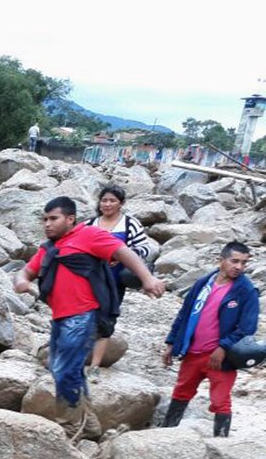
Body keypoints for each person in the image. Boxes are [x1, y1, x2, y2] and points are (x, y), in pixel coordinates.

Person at [14, 196, 165, 439]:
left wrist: (148, 279)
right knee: (61, 368)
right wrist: (21, 280)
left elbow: (123, 252)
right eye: (45, 219)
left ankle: (71, 426)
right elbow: (27, 270)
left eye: (54, 218)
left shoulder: (89, 235)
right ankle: (90, 425)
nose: (47, 224)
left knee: (64, 369)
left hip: (85, 315)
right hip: (61, 318)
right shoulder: (49, 248)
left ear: (70, 219)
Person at [161, 242, 259, 437]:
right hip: (192, 352)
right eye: (234, 261)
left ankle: (221, 442)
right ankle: (166, 435)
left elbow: (248, 327)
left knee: (220, 400)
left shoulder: (246, 291)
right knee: (181, 392)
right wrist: (172, 343)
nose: (239, 267)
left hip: (221, 357)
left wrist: (223, 347)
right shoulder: (203, 283)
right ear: (221, 260)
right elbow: (184, 314)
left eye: (243, 263)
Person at [83, 184, 152, 378]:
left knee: (105, 320)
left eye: (112, 200)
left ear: (121, 203)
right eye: (104, 200)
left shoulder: (130, 224)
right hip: (90, 280)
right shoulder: (90, 224)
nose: (107, 204)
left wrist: (125, 255)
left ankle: (95, 365)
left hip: (115, 282)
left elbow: (145, 248)